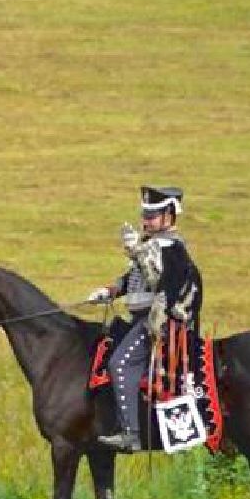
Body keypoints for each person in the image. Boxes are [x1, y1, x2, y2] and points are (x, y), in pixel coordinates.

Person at [87, 185, 202, 453]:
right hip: (138, 316)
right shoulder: (151, 246)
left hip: (158, 323)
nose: (146, 221)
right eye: (145, 215)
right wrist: (109, 291)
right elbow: (133, 279)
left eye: (153, 215)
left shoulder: (172, 248)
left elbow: (157, 279)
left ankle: (132, 433)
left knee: (120, 363)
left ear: (170, 216)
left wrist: (138, 251)